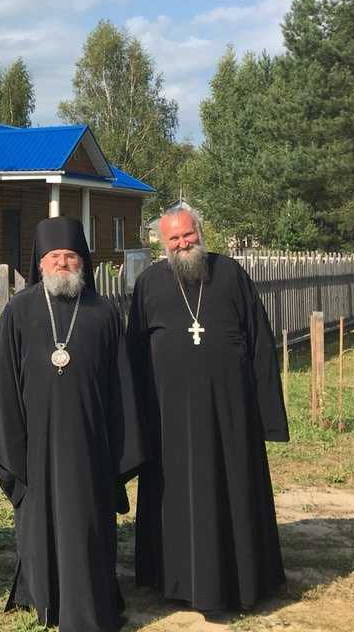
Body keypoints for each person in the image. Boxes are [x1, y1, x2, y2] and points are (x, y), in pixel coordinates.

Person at [0, 217, 143, 632]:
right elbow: (2, 383)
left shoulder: (103, 311)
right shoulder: (19, 310)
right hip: (34, 444)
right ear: (41, 263)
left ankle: (89, 598)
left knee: (88, 522)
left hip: (90, 443)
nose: (63, 263)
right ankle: (44, 596)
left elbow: (121, 384)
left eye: (71, 256)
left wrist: (120, 448)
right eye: (55, 256)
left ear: (82, 260)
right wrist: (10, 444)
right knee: (38, 520)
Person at [127, 203, 288, 613]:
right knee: (176, 496)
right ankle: (175, 578)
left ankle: (243, 577)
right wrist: (138, 420)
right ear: (162, 243)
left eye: (188, 234)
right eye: (173, 238)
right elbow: (134, 357)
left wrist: (266, 412)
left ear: (200, 231)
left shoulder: (231, 274)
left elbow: (259, 343)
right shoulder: (149, 284)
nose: (183, 243)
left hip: (230, 415)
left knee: (232, 488)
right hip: (170, 420)